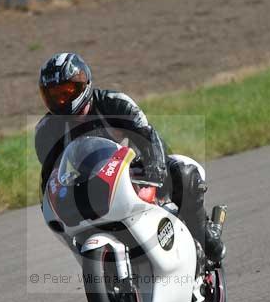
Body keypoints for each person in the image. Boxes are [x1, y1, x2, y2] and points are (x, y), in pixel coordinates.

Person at [34, 52, 226, 265]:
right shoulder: (46, 131)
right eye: (55, 96)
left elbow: (147, 135)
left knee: (184, 173)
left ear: (83, 84)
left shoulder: (114, 103)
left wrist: (155, 167)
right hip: (90, 186)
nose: (62, 101)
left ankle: (206, 240)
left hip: (137, 172)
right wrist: (50, 206)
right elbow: (50, 175)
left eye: (67, 92)